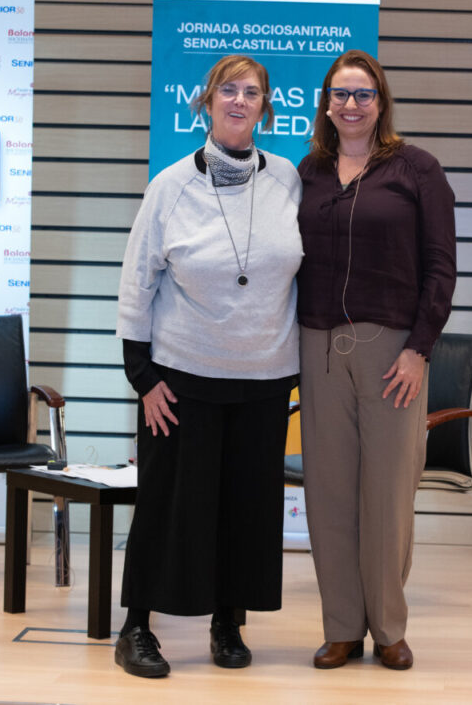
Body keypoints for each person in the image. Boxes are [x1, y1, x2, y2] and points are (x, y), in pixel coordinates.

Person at [113, 55, 303, 677]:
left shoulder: (288, 179)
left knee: (245, 509)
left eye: (252, 92)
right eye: (229, 90)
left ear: (267, 108)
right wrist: (141, 376)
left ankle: (228, 623)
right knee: (169, 506)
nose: (239, 101)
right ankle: (136, 626)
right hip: (180, 379)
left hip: (264, 379)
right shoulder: (169, 185)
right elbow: (137, 281)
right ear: (207, 101)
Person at [296, 50, 456, 671]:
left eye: (363, 95)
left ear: (381, 102)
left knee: (388, 495)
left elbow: (441, 266)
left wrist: (420, 350)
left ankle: (388, 627)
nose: (351, 105)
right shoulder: (306, 172)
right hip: (318, 348)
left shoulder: (417, 170)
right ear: (326, 104)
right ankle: (341, 626)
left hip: (395, 352)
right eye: (340, 94)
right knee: (329, 495)